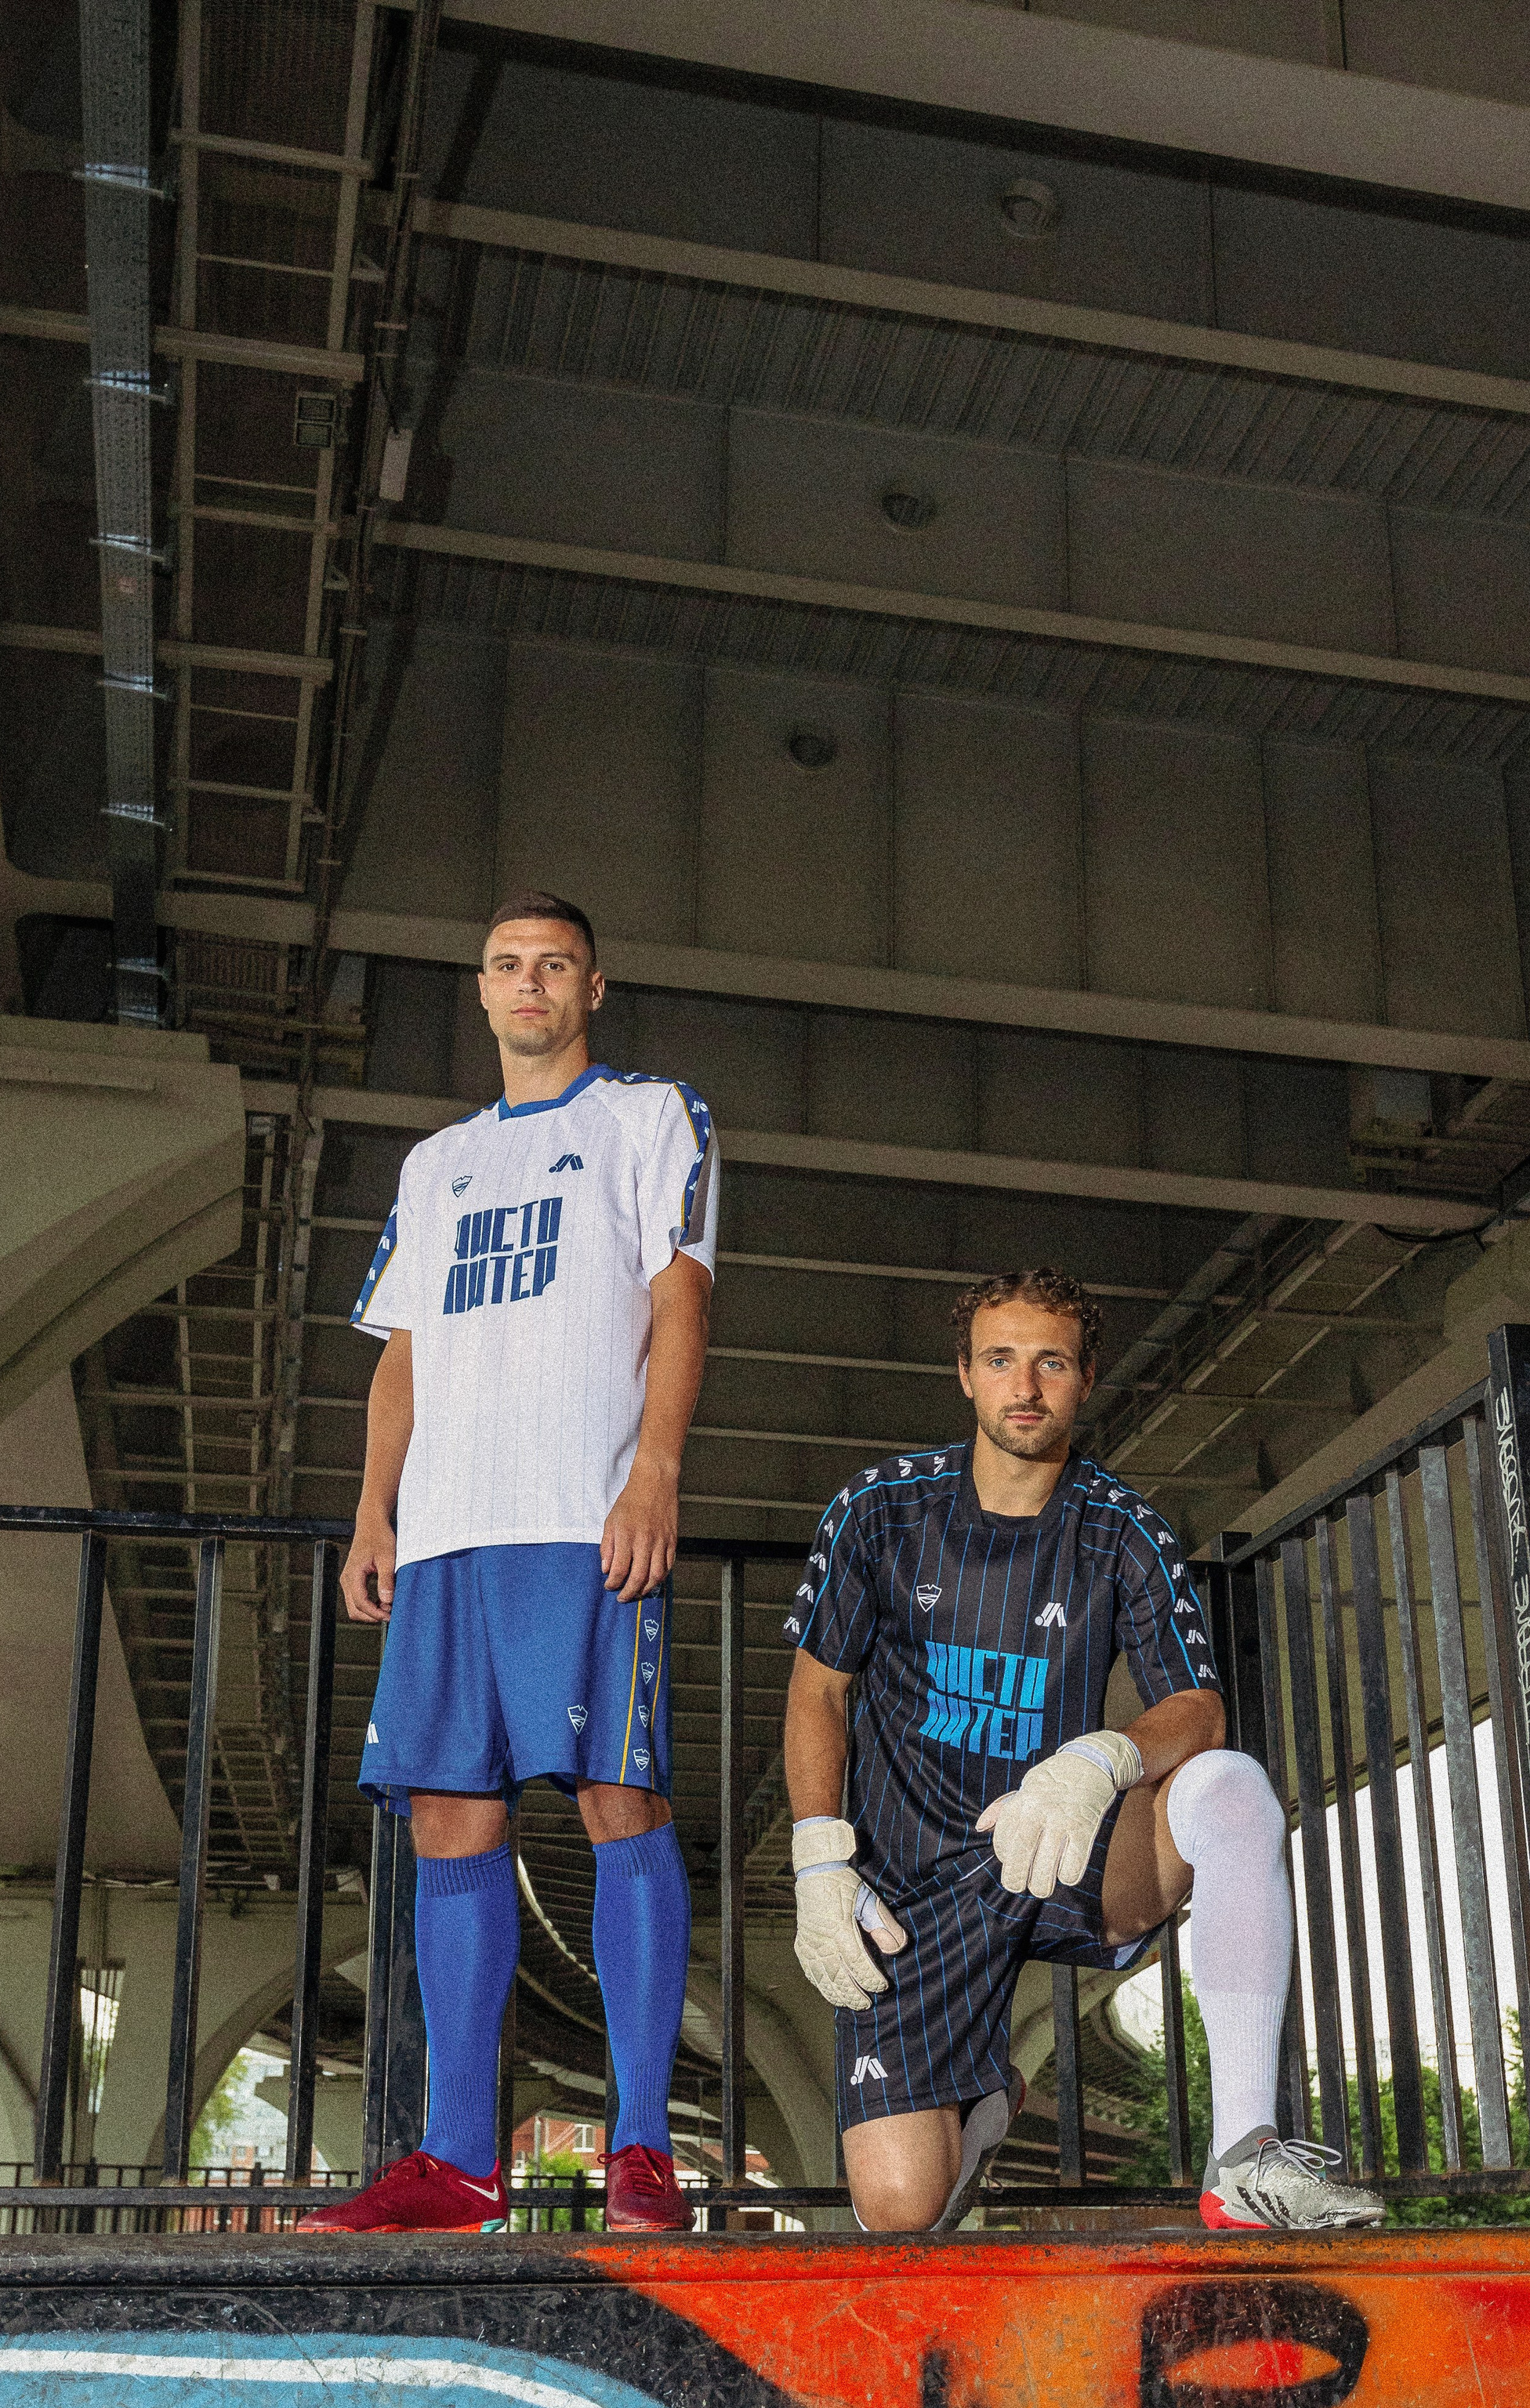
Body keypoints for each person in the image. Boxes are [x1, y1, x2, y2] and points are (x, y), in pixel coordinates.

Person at [781, 1266, 1386, 2234]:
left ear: (1086, 1378)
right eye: (1000, 1359)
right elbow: (819, 1688)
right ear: (964, 1374)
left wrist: (1100, 1759)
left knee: (1229, 1786)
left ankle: (1245, 2156)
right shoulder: (879, 1508)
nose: (1024, 1386)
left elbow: (1197, 1707)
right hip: (910, 1881)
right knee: (900, 2209)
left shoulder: (1122, 1527)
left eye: (1051, 1362)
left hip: (1061, 1841)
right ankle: (987, 2098)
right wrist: (818, 1853)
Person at [299, 890, 718, 2236]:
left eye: (554, 965)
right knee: (446, 1819)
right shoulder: (438, 1164)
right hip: (447, 1532)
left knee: (617, 1798)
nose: (529, 982)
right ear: (481, 991)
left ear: (593, 989)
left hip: (580, 1514)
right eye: (506, 965)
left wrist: (656, 1472)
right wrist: (376, 1511)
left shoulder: (651, 1116)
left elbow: (681, 1297)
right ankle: (459, 2160)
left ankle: (642, 2149)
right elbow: (403, 1353)